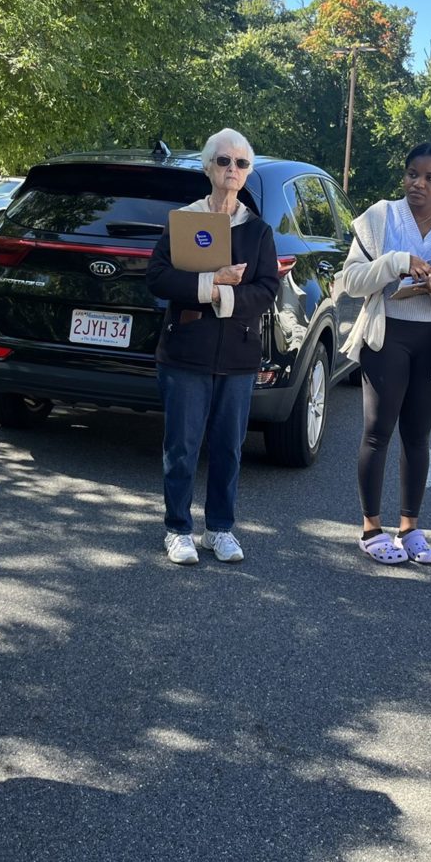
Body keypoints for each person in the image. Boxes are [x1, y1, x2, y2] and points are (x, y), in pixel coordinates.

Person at [337, 143, 431, 565]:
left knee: (418, 436)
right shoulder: (380, 217)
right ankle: (371, 528)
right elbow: (351, 281)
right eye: (411, 174)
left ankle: (410, 527)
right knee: (377, 431)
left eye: (429, 177)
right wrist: (397, 261)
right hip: (387, 336)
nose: (417, 184)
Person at [146, 129, 279, 564]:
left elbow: (266, 289)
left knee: (227, 447)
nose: (232, 170)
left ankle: (219, 529)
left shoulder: (257, 230)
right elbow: (160, 279)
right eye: (224, 161)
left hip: (238, 357)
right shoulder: (184, 220)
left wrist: (225, 296)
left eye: (241, 164)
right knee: (181, 446)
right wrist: (212, 283)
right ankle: (178, 529)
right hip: (186, 351)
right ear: (207, 167)